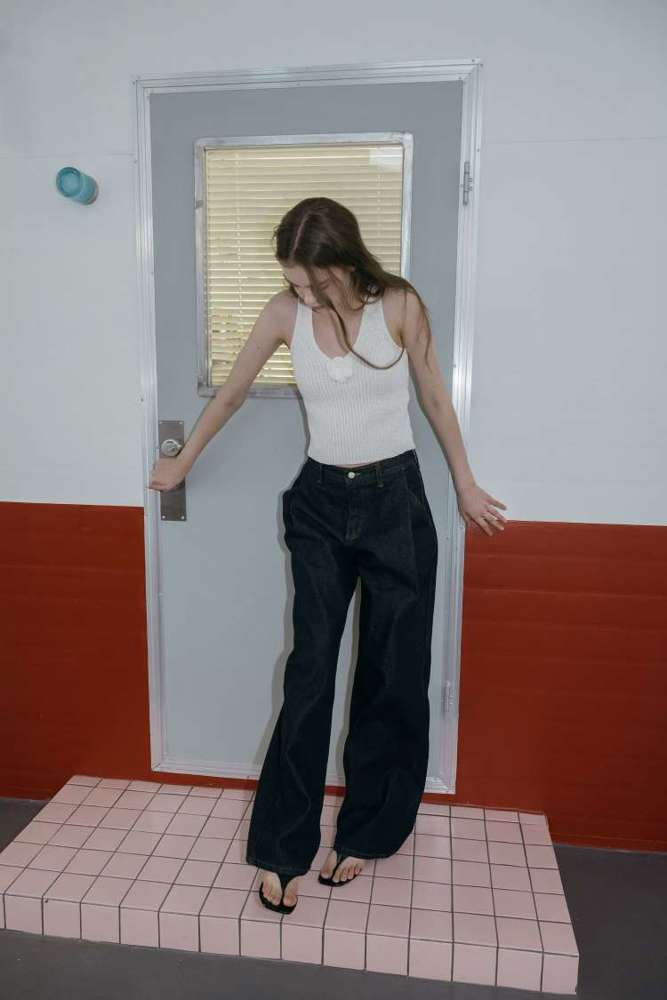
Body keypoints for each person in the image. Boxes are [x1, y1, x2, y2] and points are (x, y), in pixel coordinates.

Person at [149, 196, 507, 914]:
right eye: (294, 280)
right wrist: (183, 460)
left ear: (344, 260)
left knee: (392, 673)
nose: (303, 293)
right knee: (310, 673)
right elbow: (232, 394)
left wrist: (465, 484)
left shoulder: (399, 305)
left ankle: (367, 833)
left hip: (396, 503)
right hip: (319, 504)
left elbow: (434, 398)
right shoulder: (283, 314)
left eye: (313, 280)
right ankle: (282, 847)